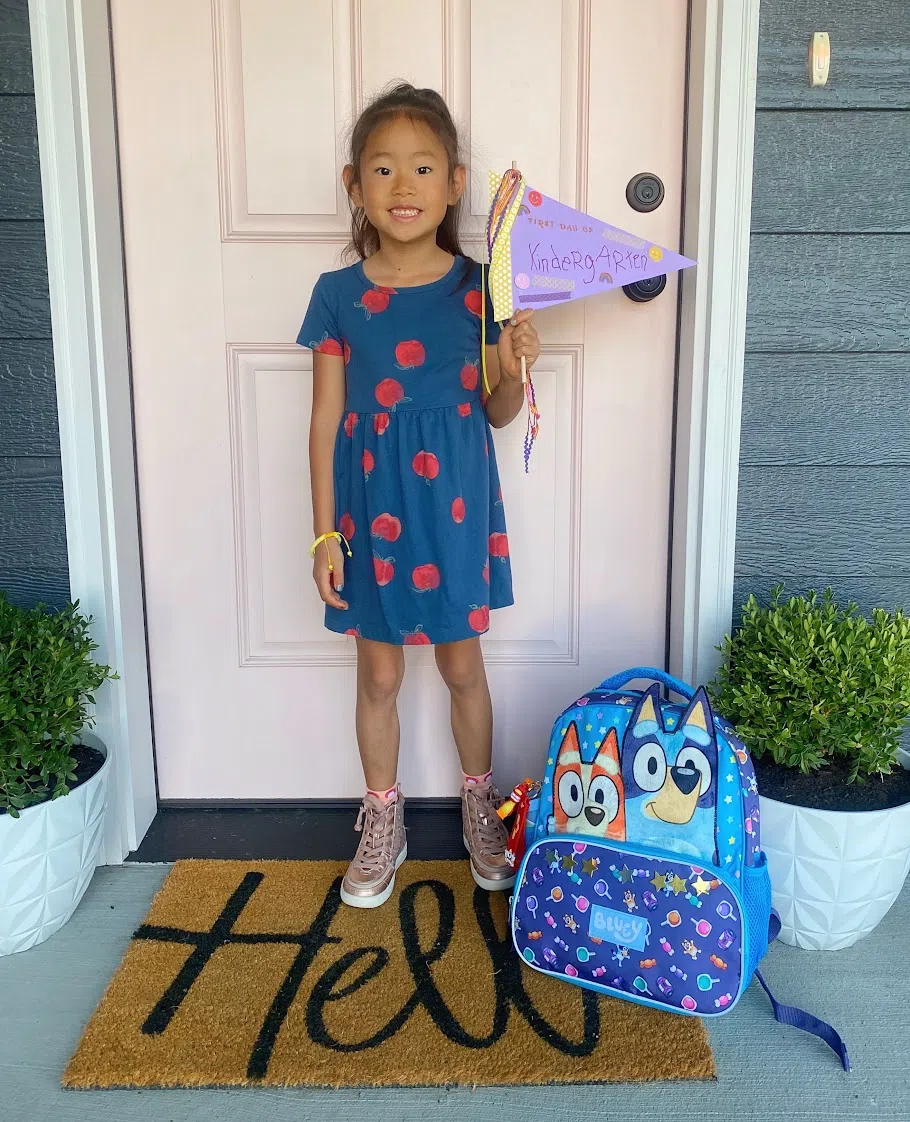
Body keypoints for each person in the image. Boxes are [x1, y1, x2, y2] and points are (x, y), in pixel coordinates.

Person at [298, 83, 540, 908]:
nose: (404, 186)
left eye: (423, 168)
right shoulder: (336, 296)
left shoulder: (482, 290)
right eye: (383, 169)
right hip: (370, 516)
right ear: (354, 185)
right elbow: (325, 420)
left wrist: (516, 365)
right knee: (377, 674)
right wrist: (324, 536)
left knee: (463, 666)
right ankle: (383, 818)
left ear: (455, 182)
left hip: (455, 513)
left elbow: (498, 412)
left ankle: (481, 805)